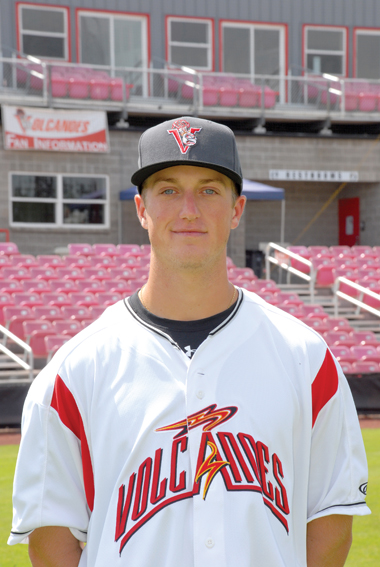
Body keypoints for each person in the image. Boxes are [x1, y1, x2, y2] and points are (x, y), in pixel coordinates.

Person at [9, 116, 370, 567]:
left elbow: (331, 524)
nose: (188, 210)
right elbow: (51, 540)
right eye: (168, 190)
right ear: (142, 210)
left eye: (209, 190)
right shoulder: (76, 369)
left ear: (237, 210)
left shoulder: (307, 358)